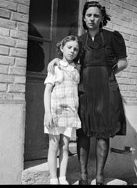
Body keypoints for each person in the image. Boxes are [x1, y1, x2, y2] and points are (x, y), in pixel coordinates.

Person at [47, 1, 128, 185]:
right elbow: (68, 58)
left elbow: (123, 63)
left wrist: (107, 74)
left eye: (96, 15)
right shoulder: (79, 40)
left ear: (101, 18)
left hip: (106, 90)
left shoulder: (112, 37)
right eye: (89, 15)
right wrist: (55, 61)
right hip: (83, 89)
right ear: (84, 18)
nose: (92, 18)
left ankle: (100, 176)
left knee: (103, 132)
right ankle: (83, 176)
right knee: (83, 131)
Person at [44, 35, 82, 185]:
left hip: (70, 113)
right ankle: (53, 179)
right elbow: (47, 91)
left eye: (75, 49)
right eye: (69, 47)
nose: (72, 51)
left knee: (65, 146)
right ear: (61, 48)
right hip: (55, 112)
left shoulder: (76, 70)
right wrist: (48, 113)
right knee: (54, 145)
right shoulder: (56, 67)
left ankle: (62, 177)